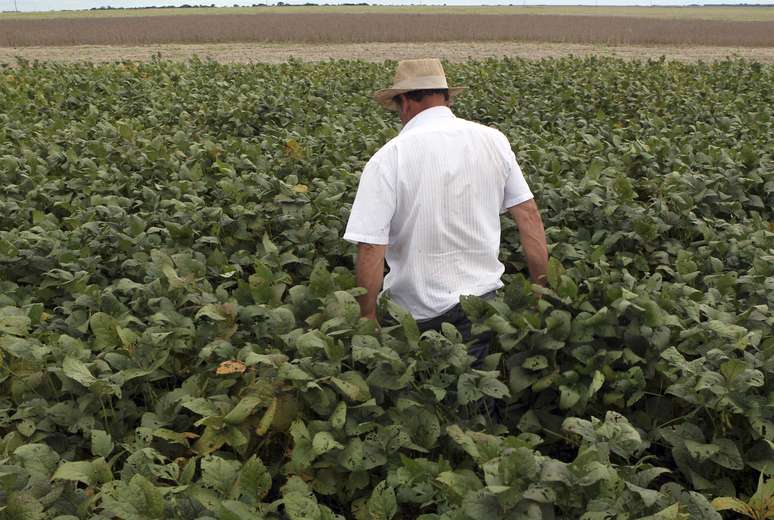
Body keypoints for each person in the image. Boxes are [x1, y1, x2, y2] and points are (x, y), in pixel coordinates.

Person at [344, 58, 548, 364]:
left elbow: (371, 246)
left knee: (426, 398)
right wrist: (541, 291)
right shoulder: (494, 141)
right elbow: (528, 216)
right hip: (484, 308)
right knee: (477, 396)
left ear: (406, 103)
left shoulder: (389, 158)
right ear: (446, 97)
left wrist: (368, 315)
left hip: (418, 315)